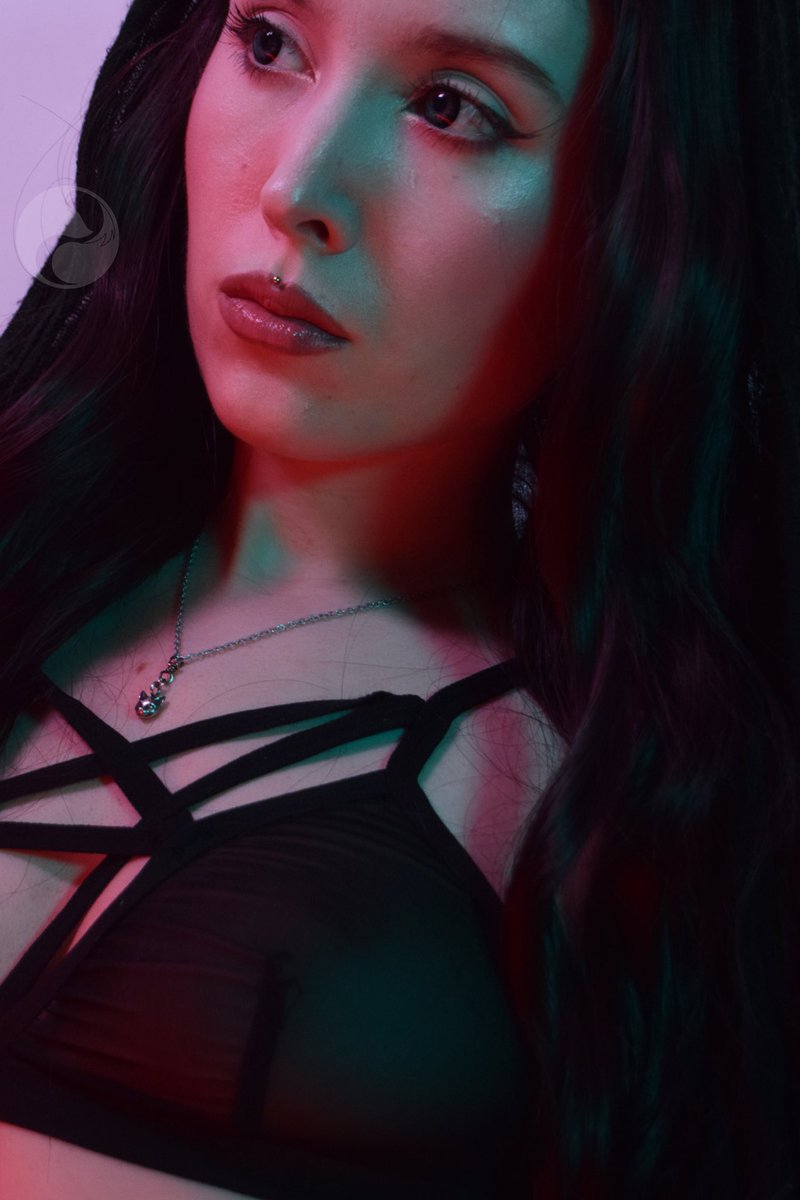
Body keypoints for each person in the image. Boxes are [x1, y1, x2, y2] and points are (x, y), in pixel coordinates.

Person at [0, 0, 797, 1196]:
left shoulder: (632, 818)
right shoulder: (33, 534)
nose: (297, 188)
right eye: (268, 42)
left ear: (634, 217)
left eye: (448, 108)